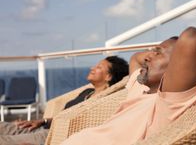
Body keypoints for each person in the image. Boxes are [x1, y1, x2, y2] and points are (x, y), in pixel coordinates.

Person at [61, 27, 196, 145]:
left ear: (177, 66)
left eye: (158, 53)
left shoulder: (167, 104)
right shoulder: (140, 87)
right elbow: (135, 59)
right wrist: (155, 53)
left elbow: (193, 38)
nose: (147, 57)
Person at [0, 56, 129, 145]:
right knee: (2, 126)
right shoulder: (87, 92)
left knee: (4, 140)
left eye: (99, 67)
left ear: (109, 76)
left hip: (52, 136)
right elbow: (64, 116)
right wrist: (41, 120)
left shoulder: (103, 103)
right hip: (45, 127)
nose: (92, 68)